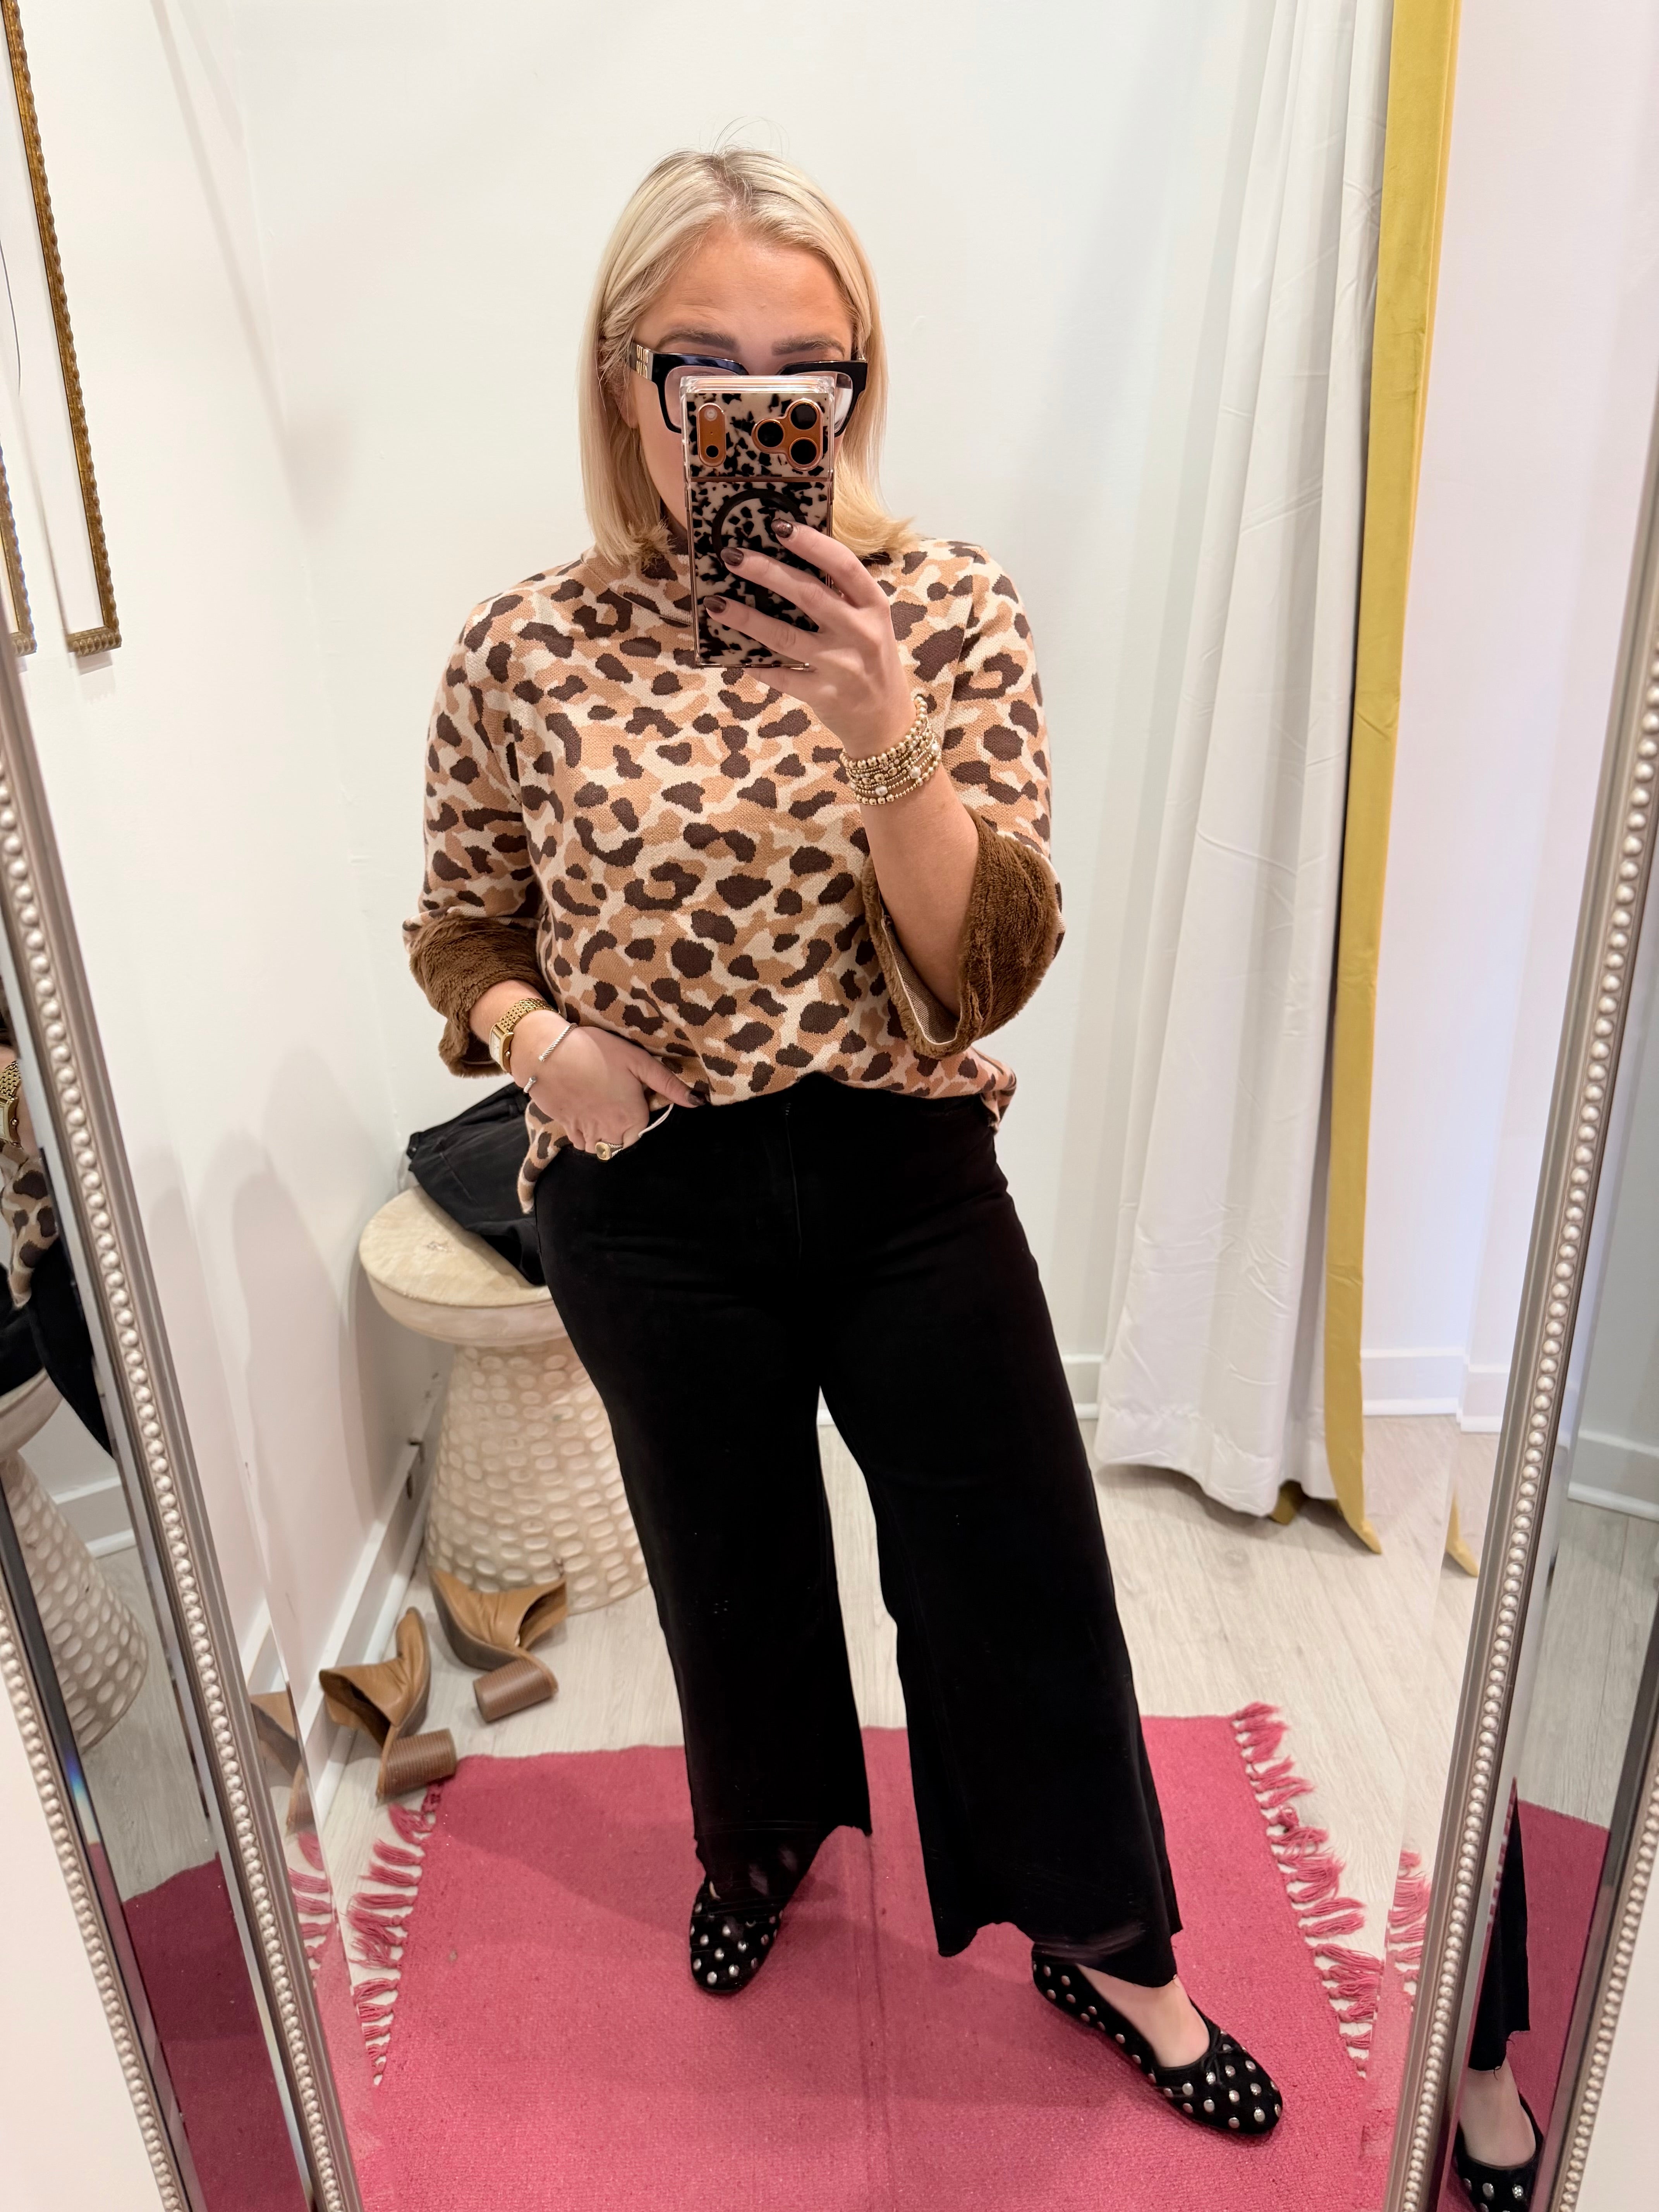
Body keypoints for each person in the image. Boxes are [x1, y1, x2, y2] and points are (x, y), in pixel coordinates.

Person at [405, 147, 1280, 2139]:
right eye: (701, 365)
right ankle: (762, 1843)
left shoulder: (947, 610)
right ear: (625, 378)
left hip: (905, 1179)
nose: (753, 408)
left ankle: (1112, 1944)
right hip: (649, 1195)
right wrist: (540, 1044)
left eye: (804, 370)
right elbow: (460, 926)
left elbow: (989, 971)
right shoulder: (521, 646)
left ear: (859, 384)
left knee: (1017, 1575)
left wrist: (885, 719)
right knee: (725, 1572)